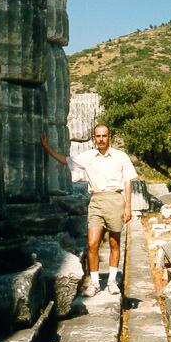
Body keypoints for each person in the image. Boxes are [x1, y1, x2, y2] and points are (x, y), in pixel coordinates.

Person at [41, 124, 137, 296]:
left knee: (115, 243)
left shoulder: (121, 157)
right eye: (98, 136)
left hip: (115, 199)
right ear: (94, 138)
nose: (101, 139)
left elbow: (128, 181)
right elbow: (65, 160)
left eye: (104, 136)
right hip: (96, 201)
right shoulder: (88, 157)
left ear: (110, 137)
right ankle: (94, 282)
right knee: (92, 244)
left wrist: (128, 206)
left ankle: (112, 281)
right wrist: (47, 147)